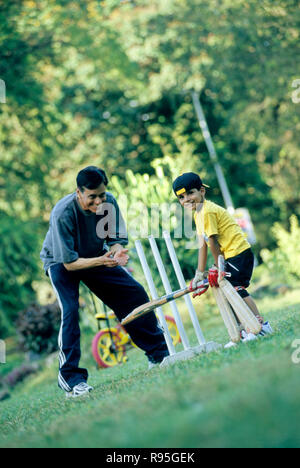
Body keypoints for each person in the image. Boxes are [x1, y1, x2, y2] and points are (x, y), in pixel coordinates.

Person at [40, 166, 169, 397]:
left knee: (134, 293)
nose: (99, 201)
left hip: (95, 257)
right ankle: (71, 379)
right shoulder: (63, 212)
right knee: (70, 311)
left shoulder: (108, 202)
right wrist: (101, 260)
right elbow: (69, 263)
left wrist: (116, 253)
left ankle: (159, 354)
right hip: (61, 262)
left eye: (101, 194)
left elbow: (114, 239)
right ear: (78, 192)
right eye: (92, 197)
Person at [172, 172, 273, 346]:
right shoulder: (198, 214)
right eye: (181, 197)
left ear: (202, 191)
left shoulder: (208, 211)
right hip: (230, 256)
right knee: (228, 293)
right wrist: (199, 272)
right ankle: (243, 330)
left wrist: (218, 265)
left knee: (236, 289)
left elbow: (212, 241)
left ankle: (261, 326)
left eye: (190, 193)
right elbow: (202, 244)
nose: (186, 199)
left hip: (238, 253)